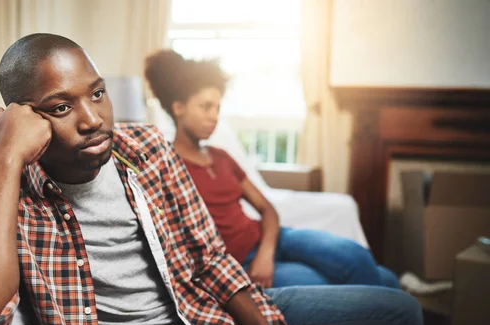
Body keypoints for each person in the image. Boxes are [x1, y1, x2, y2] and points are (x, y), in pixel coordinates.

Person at [0, 33, 423, 325]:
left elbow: (209, 256)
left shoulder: (145, 148)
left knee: (400, 312)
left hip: (207, 308)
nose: (92, 120)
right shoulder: (6, 193)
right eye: (61, 107)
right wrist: (5, 156)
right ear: (24, 118)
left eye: (98, 94)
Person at [144, 50, 400, 290]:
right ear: (178, 108)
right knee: (369, 282)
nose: (214, 116)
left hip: (275, 239)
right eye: (205, 107)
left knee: (358, 257)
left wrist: (266, 253)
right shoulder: (168, 164)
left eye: (218, 108)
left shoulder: (220, 157)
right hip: (241, 263)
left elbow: (267, 209)